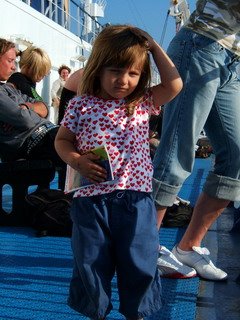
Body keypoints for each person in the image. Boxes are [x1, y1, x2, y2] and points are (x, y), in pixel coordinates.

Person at [55, 24, 183, 319]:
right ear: (99, 68)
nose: (123, 80)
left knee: (140, 261)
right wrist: (75, 159)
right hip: (90, 201)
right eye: (115, 70)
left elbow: (174, 84)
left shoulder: (141, 102)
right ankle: (96, 312)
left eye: (133, 73)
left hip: (135, 200)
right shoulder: (80, 105)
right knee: (90, 263)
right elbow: (62, 141)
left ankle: (136, 314)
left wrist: (152, 44)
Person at [153, 0, 240, 281]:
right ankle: (142, 247)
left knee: (236, 156)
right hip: (201, 45)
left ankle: (188, 247)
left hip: (232, 60)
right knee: (177, 150)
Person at [0, 38, 63, 170]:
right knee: (74, 143)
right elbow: (24, 119)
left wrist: (27, 108)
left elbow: (45, 108)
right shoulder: (15, 82)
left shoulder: (8, 89)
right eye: (10, 61)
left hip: (44, 135)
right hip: (35, 141)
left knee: (82, 136)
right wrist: (33, 112)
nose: (13, 66)